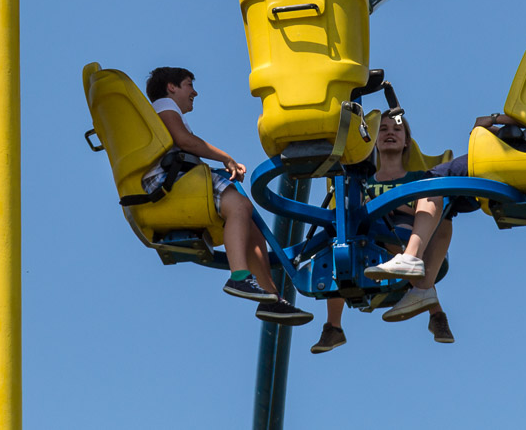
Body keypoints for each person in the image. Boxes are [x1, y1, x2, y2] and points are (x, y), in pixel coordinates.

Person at [363, 11, 526, 304]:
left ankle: (411, 256)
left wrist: (491, 120)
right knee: (448, 205)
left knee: (432, 181)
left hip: (517, 149)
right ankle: (422, 291)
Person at [143, 67, 312, 326]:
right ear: (171, 87)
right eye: (189, 84)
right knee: (240, 206)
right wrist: (226, 158)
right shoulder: (164, 105)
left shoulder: (162, 110)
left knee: (250, 225)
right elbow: (184, 140)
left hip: (174, 176)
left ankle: (271, 299)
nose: (194, 92)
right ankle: (239, 276)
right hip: (171, 178)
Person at [311, 111, 455, 353]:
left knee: (399, 231)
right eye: (384, 129)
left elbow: (429, 212)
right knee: (337, 243)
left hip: (401, 233)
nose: (390, 133)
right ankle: (332, 326)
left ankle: (434, 310)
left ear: (407, 140)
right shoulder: (362, 182)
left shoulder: (418, 178)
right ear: (374, 140)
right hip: (365, 238)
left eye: (397, 130)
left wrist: (390, 204)